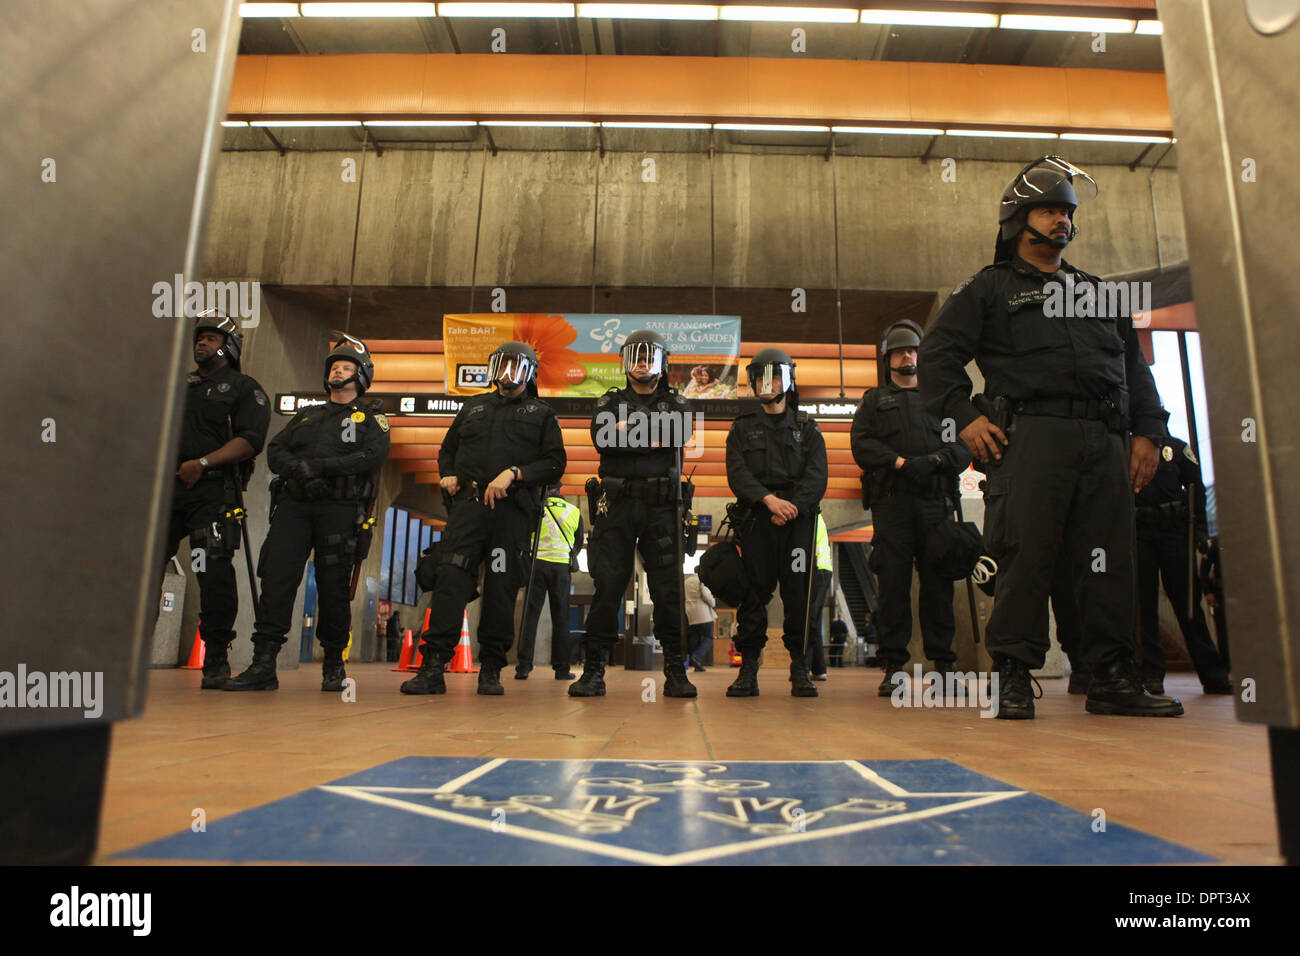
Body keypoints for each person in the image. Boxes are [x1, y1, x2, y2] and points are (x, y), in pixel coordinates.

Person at [919, 155, 1183, 719]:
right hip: (1032, 438)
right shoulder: (988, 290)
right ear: (1019, 218)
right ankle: (1014, 674)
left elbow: (1136, 371)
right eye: (1048, 210)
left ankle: (1110, 675)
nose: (1061, 221)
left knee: (1108, 560)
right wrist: (964, 416)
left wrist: (1149, 432)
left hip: (1105, 438)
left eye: (1067, 212)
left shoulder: (1098, 292)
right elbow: (937, 359)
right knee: (1025, 554)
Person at [225, 333, 390, 692]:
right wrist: (300, 472)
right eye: (334, 366)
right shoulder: (306, 415)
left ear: (361, 376)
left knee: (333, 588)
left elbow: (372, 457)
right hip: (295, 507)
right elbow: (275, 450)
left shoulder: (372, 419)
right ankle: (264, 662)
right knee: (278, 580)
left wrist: (321, 469)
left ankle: (333, 665)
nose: (338, 372)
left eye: (346, 367)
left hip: (340, 509)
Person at [400, 341, 565, 697]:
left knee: (501, 590)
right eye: (501, 364)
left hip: (510, 514)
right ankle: (432, 667)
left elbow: (555, 463)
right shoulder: (472, 407)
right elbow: (448, 449)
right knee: (449, 581)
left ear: (529, 372)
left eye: (514, 365)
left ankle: (491, 668)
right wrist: (447, 473)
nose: (506, 372)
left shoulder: (542, 414)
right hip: (467, 510)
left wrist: (515, 473)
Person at [570, 330, 697, 698]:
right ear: (625, 362)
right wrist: (648, 433)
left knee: (669, 590)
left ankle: (675, 669)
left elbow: (677, 431)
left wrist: (626, 431)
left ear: (662, 362)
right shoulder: (608, 402)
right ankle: (594, 670)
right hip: (617, 504)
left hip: (663, 506)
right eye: (636, 356)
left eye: (650, 356)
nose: (643, 363)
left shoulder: (678, 402)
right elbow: (603, 437)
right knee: (608, 586)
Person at [853, 319, 973, 698]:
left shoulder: (941, 399)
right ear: (887, 358)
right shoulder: (874, 401)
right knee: (893, 588)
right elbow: (862, 445)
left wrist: (935, 462)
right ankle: (893, 667)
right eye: (900, 350)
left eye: (913, 350)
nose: (908, 355)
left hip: (936, 504)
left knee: (938, 587)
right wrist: (901, 463)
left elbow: (964, 445)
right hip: (892, 505)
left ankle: (944, 666)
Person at [164, 311, 270, 689]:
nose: (202, 343)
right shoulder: (179, 387)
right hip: (168, 489)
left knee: (211, 570)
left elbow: (250, 440)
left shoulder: (243, 388)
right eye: (200, 337)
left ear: (229, 347)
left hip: (212, 490)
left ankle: (216, 657)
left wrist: (202, 463)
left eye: (211, 338)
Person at [724, 347, 828, 698]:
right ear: (752, 384)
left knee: (799, 595)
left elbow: (817, 476)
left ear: (789, 380)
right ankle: (748, 668)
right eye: (759, 377)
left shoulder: (808, 428)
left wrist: (792, 507)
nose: (766, 383)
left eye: (774, 376)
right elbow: (737, 473)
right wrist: (769, 500)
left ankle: (800, 668)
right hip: (757, 520)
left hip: (798, 523)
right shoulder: (741, 429)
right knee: (753, 595)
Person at [1135, 436, 1232, 695]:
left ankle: (1213, 675)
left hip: (1174, 532)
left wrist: (1199, 529)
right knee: (1143, 606)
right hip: (1139, 532)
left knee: (1189, 604)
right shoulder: (1126, 448)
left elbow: (1195, 489)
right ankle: (1150, 674)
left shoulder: (1176, 448)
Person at [516, 487, 584, 681]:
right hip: (561, 568)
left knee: (530, 617)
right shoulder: (574, 510)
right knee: (561, 618)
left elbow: (524, 534)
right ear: (561, 490)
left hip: (536, 565)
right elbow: (577, 543)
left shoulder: (535, 508)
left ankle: (524, 667)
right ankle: (562, 669)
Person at [794, 514, 834, 680]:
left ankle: (803, 667)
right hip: (822, 569)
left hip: (814, 570)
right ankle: (818, 669)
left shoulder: (805, 516)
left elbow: (801, 547)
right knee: (814, 620)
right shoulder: (816, 515)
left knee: (807, 619)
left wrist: (796, 573)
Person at [683, 573, 716, 672]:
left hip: (690, 615)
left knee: (694, 639)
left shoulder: (686, 582)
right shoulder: (702, 580)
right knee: (708, 637)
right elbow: (706, 594)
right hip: (703, 614)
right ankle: (697, 656)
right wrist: (713, 603)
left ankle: (697, 664)